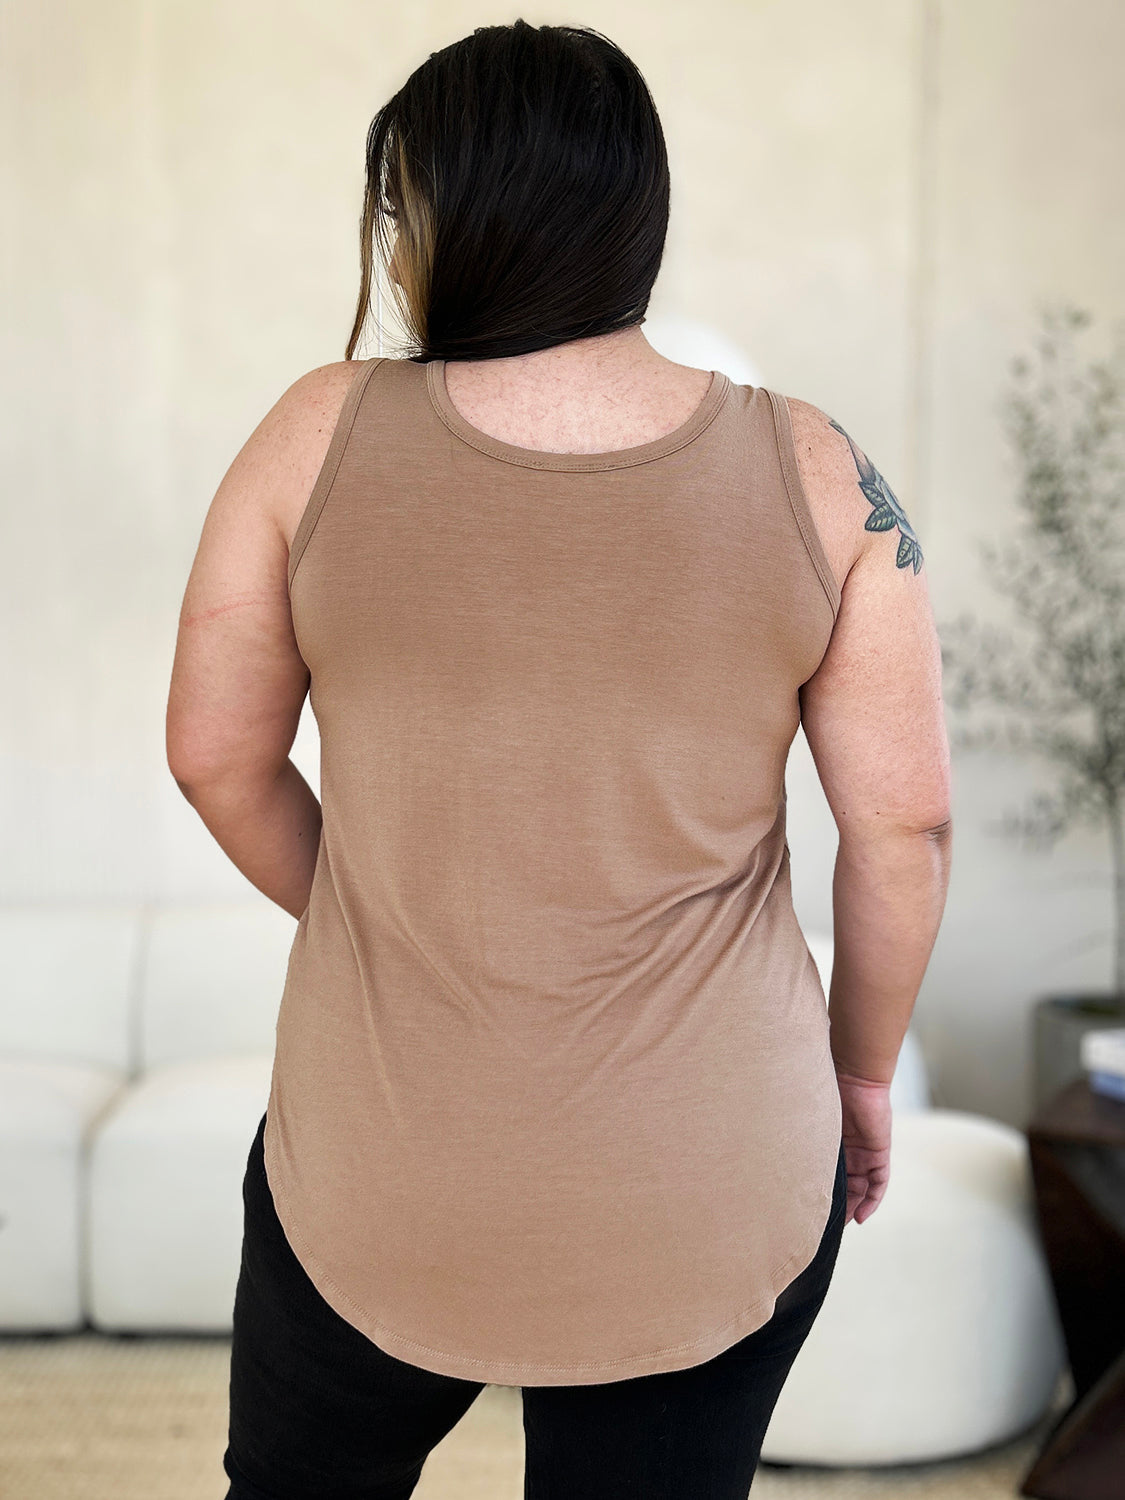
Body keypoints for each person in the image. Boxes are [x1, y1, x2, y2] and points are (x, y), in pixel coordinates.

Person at [165, 19, 952, 1500]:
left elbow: (216, 757)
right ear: (635, 213)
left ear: (437, 212)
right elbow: (904, 831)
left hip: (379, 1167)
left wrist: (376, 914)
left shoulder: (313, 433)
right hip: (708, 1172)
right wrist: (855, 1079)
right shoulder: (814, 468)